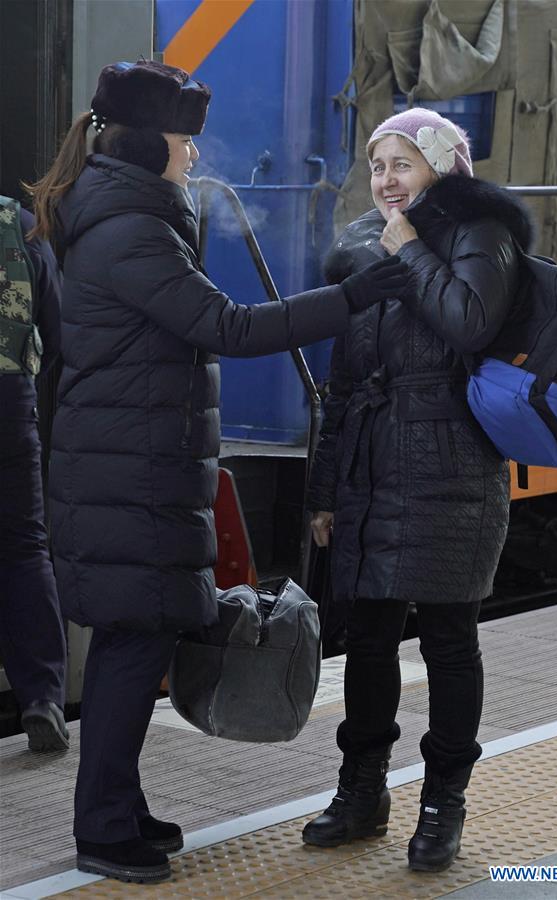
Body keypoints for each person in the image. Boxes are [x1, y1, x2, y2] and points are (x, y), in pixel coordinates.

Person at [24, 59, 409, 885]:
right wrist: (353, 296)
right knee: (132, 651)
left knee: (139, 643)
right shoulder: (131, 229)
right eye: (182, 142)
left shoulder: (120, 216)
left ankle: (120, 808)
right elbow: (226, 326)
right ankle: (102, 830)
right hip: (129, 471)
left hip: (131, 464)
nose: (193, 157)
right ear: (147, 144)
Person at [303, 107, 534, 872]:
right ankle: (360, 790)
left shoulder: (481, 236)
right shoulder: (362, 249)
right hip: (372, 471)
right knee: (367, 641)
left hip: (451, 470)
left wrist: (409, 249)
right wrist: (322, 491)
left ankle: (443, 806)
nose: (385, 181)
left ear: (441, 165)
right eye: (375, 167)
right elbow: (341, 386)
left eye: (402, 163)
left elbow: (469, 322)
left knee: (446, 642)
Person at [0, 195, 69, 752]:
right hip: (8, 405)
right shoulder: (21, 226)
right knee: (25, 547)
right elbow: (58, 329)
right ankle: (43, 696)